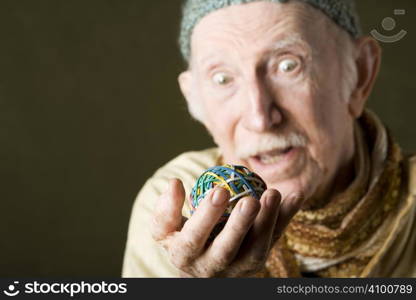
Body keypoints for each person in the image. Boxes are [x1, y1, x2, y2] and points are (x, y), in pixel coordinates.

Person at [122, 0, 416, 277]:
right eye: (222, 79)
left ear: (359, 75)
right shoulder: (173, 209)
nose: (260, 118)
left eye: (288, 66)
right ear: (195, 100)